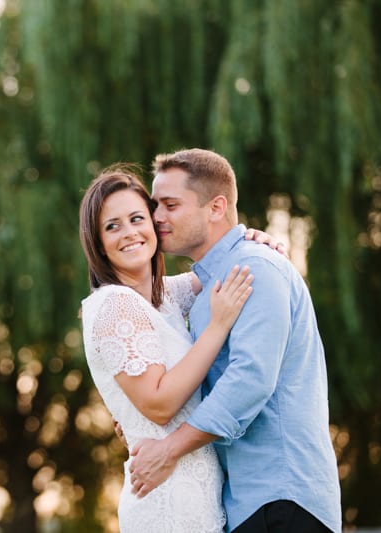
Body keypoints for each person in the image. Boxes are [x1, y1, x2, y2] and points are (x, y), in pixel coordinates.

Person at [128, 148, 341, 532]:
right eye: (154, 205)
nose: (157, 217)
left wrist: (169, 450)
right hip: (247, 503)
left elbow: (251, 379)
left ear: (216, 207)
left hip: (283, 498)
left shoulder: (254, 268)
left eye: (170, 205)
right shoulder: (211, 282)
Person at [78, 164, 278, 532]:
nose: (130, 233)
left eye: (138, 218)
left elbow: (217, 265)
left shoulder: (164, 297)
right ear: (98, 243)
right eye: (112, 226)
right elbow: (158, 404)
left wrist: (249, 240)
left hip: (201, 501)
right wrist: (217, 328)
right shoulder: (112, 305)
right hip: (164, 503)